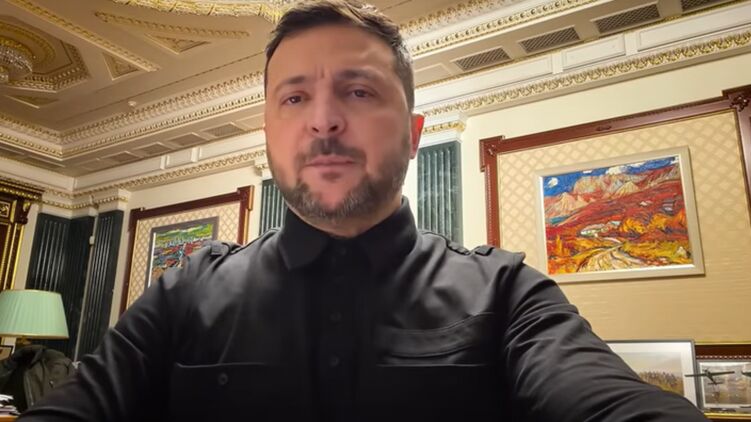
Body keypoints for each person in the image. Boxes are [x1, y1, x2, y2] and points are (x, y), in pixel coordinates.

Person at [20, 1, 708, 421]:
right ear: (269, 136)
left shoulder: (508, 293)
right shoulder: (183, 293)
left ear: (412, 134)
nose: (323, 121)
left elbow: (605, 401)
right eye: (294, 98)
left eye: (358, 92)